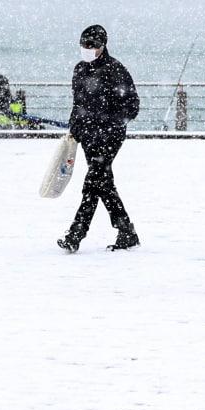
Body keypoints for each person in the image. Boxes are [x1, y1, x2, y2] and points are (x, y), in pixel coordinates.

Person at [57, 25, 141, 253]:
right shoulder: (79, 70)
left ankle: (76, 233)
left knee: (92, 182)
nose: (86, 49)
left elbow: (132, 107)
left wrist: (107, 122)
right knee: (103, 183)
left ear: (102, 47)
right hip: (88, 137)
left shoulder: (116, 70)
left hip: (110, 137)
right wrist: (75, 127)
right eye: (83, 45)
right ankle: (126, 231)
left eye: (91, 46)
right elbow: (78, 104)